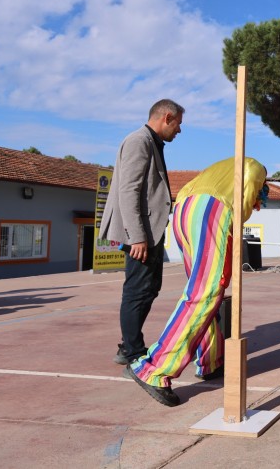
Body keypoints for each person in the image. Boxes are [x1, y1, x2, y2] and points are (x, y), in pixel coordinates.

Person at [124, 157, 268, 407]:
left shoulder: (220, 171)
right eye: (260, 198)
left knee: (202, 290)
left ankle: (210, 361)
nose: (259, 204)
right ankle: (154, 368)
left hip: (184, 211)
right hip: (212, 212)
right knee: (207, 292)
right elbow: (242, 205)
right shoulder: (255, 168)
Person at [99, 99, 184, 366]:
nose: (179, 130)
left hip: (148, 232)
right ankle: (133, 353)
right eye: (178, 124)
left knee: (148, 289)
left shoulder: (151, 142)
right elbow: (129, 190)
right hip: (139, 234)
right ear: (167, 117)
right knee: (137, 290)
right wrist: (136, 236)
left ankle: (129, 345)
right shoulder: (139, 141)